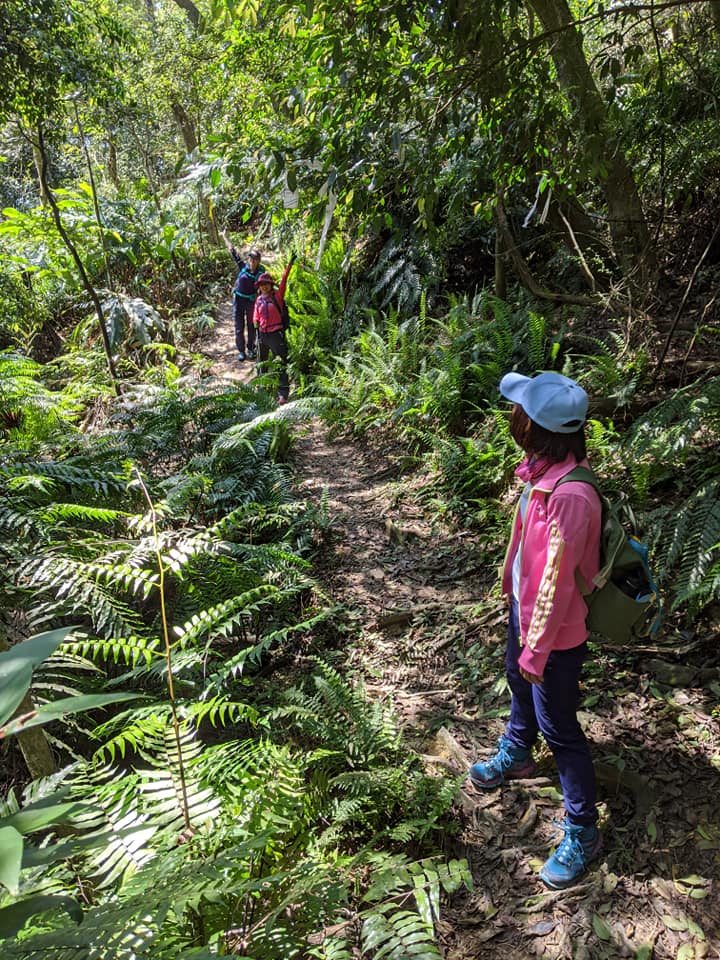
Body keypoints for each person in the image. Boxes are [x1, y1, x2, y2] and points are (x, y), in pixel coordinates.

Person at [468, 371, 603, 890]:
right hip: (528, 619)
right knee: (517, 684)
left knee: (562, 729)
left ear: (536, 426)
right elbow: (528, 549)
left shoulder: (571, 495)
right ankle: (517, 751)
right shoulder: (542, 473)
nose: (512, 416)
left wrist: (536, 650)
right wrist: (509, 586)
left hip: (554, 635)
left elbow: (559, 580)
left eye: (519, 409)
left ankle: (582, 829)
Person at [253, 254, 295, 404]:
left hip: (276, 335)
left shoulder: (277, 296)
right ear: (259, 286)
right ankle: (261, 389)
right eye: (262, 284)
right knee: (261, 363)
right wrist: (255, 323)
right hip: (262, 335)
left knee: (281, 363)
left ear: (271, 285)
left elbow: (284, 281)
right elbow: (255, 315)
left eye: (267, 284)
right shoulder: (258, 300)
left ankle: (283, 394)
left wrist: (289, 264)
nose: (264, 286)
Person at [221, 229, 263, 362]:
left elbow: (265, 287)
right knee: (239, 327)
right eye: (251, 258)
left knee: (251, 326)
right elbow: (233, 252)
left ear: (258, 261)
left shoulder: (261, 273)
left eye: (255, 259)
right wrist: (225, 237)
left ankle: (250, 348)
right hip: (238, 300)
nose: (252, 261)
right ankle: (241, 351)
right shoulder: (243, 267)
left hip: (251, 301)